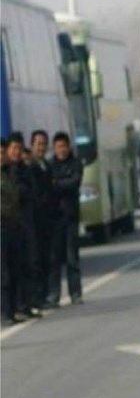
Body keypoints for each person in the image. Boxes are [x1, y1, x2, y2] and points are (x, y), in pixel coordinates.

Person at [44, 132, 84, 308]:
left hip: (71, 217)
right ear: (54, 148)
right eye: (58, 146)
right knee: (54, 259)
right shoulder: (49, 165)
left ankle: (75, 293)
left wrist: (57, 183)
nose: (61, 150)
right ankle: (54, 295)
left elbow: (74, 183)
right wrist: (59, 184)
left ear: (68, 147)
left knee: (72, 258)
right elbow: (48, 187)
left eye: (64, 146)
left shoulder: (76, 164)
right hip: (54, 218)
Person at [1, 138, 27, 323]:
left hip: (12, 225)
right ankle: (4, 313)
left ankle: (11, 310)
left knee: (12, 268)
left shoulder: (9, 174)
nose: (1, 157)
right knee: (3, 272)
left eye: (2, 153)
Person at [30, 129, 53, 314]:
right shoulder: (30, 167)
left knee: (47, 258)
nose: (41, 147)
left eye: (44, 144)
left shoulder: (47, 165)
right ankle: (37, 297)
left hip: (47, 220)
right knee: (36, 259)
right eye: (38, 144)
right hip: (35, 220)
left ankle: (45, 295)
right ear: (32, 145)